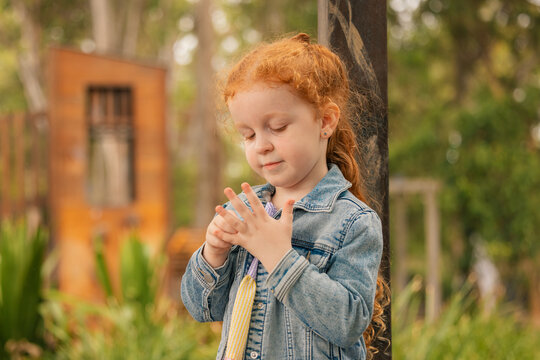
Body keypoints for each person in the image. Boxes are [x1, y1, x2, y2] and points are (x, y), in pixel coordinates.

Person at [181, 33, 388, 360]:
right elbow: (202, 310)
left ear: (326, 120)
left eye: (276, 126)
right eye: (247, 134)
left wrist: (280, 257)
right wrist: (213, 253)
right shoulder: (248, 212)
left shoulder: (353, 222)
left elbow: (347, 323)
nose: (260, 144)